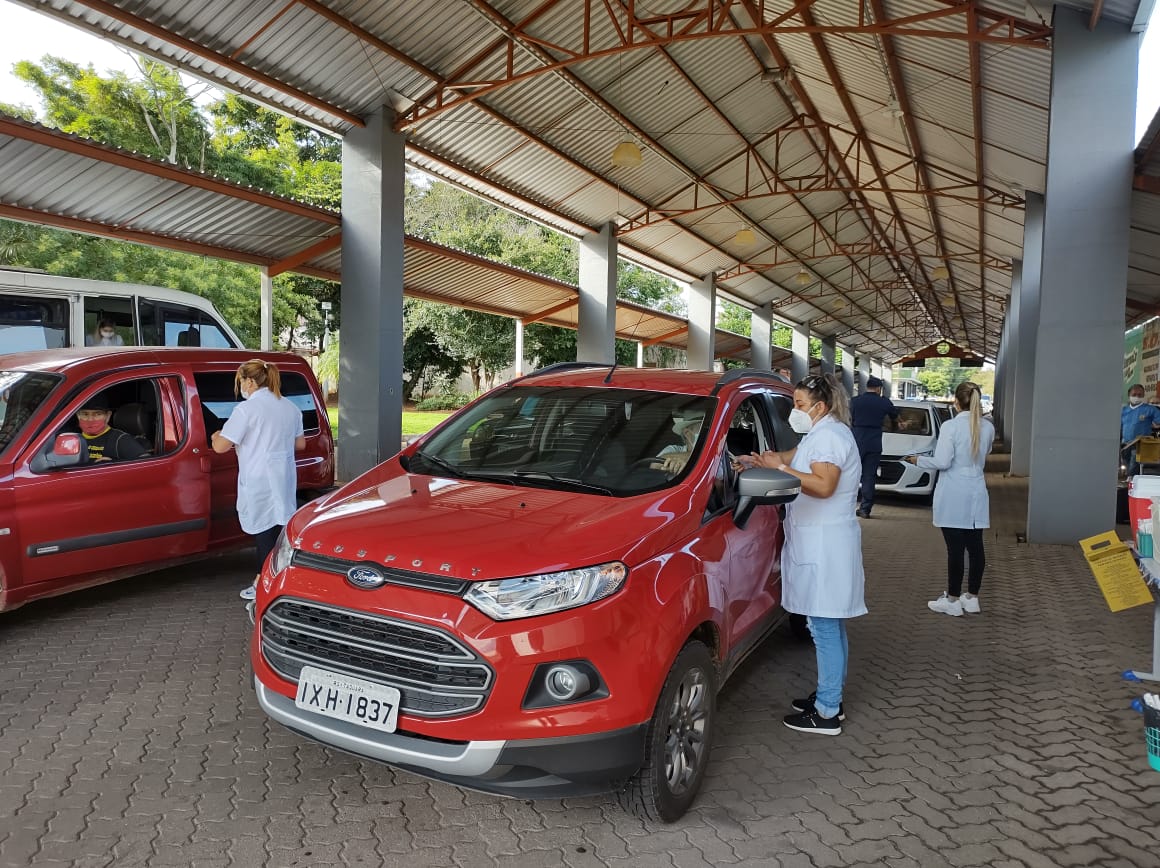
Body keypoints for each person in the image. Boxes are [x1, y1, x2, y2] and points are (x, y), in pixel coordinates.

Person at [738, 373, 866, 735]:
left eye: (798, 405)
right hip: (819, 542)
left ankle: (827, 712)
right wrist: (757, 462)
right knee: (828, 624)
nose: (794, 411)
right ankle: (830, 697)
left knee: (825, 627)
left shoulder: (828, 436)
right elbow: (786, 457)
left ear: (820, 406)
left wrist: (778, 469)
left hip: (826, 545)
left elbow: (823, 486)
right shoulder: (820, 433)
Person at [211, 360, 305, 601]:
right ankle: (280, 581)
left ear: (250, 381)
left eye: (241, 381)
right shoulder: (290, 407)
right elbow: (300, 444)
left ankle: (262, 584)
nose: (241, 386)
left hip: (258, 479)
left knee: (263, 532)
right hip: (283, 478)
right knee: (278, 531)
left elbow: (221, 447)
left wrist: (216, 436)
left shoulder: (246, 410)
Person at [905, 380, 995, 617]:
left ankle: (953, 600)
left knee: (955, 549)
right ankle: (972, 597)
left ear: (956, 402)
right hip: (977, 489)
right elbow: (984, 454)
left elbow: (943, 462)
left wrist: (918, 460)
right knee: (976, 547)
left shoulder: (951, 427)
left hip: (954, 491)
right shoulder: (987, 427)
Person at [849, 375, 898, 518]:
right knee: (869, 476)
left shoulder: (855, 401)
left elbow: (848, 418)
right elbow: (894, 416)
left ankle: (847, 506)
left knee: (851, 474)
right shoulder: (884, 402)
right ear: (878, 389)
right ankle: (865, 509)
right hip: (874, 441)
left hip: (857, 439)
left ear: (867, 387)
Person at [76, 394, 148, 463]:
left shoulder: (120, 439)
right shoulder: (73, 439)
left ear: (108, 416)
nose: (90, 419)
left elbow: (146, 463)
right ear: (78, 416)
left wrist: (116, 464)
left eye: (97, 414)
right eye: (85, 414)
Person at [1121, 384, 1160, 478]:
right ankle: (1130, 479)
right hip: (1125, 443)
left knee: (1134, 466)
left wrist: (1155, 425)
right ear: (1129, 394)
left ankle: (1132, 480)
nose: (1137, 397)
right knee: (1126, 464)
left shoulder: (1150, 409)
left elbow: (1158, 422)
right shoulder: (1123, 410)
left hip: (1140, 444)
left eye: (1140, 394)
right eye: (1134, 394)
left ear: (1143, 395)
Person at [653, 408, 705, 474]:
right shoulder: (674, 449)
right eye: (705, 429)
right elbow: (655, 464)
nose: (710, 433)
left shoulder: (717, 450)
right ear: (687, 433)